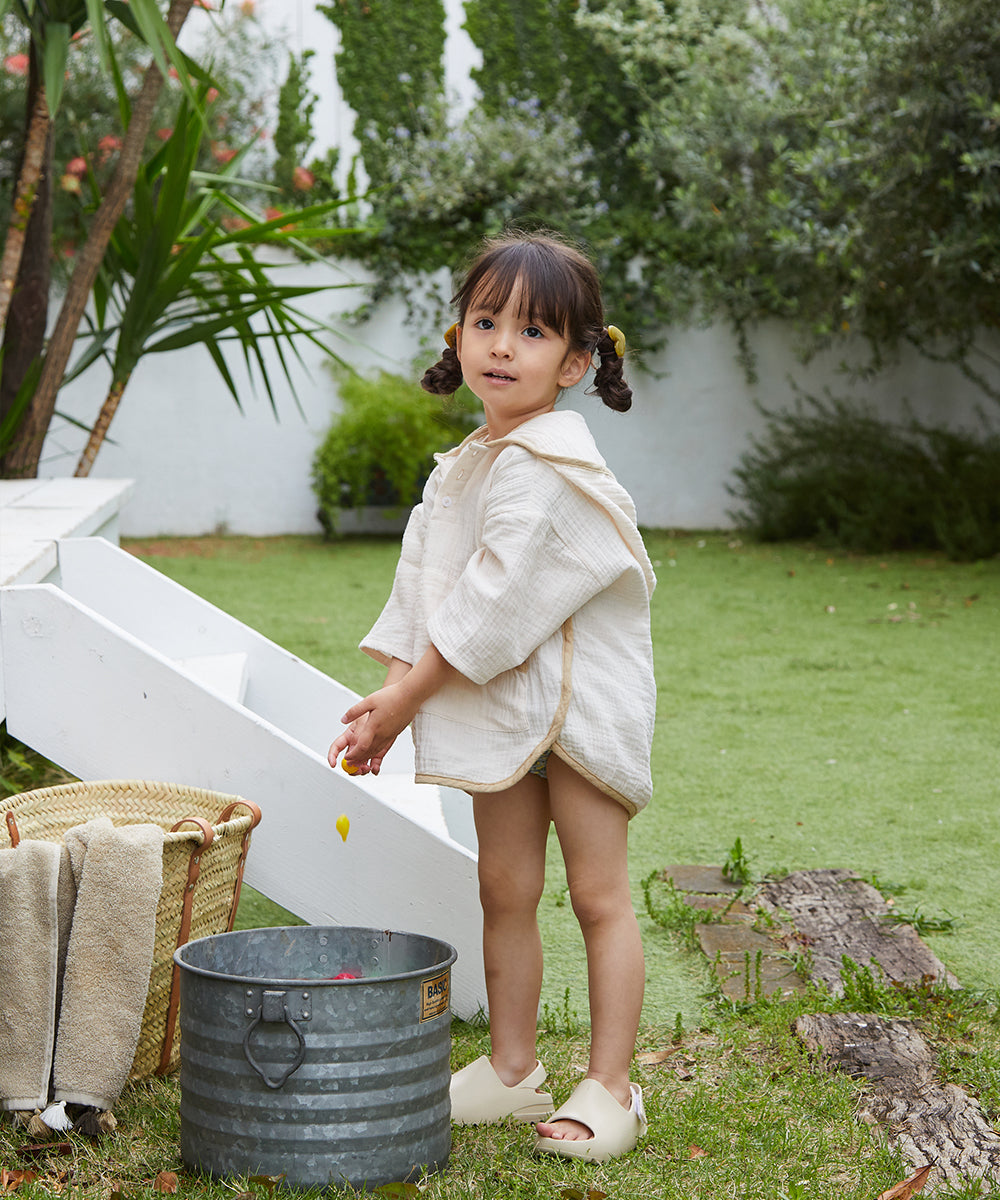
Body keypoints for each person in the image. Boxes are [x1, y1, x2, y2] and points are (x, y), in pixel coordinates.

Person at [327, 231, 656, 1163]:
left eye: (535, 331)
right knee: (502, 884)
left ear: (579, 361)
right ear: (458, 336)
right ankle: (514, 1070)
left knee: (597, 894)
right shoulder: (466, 464)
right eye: (486, 321)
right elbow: (424, 592)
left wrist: (406, 699)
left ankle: (613, 1085)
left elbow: (489, 606)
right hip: (506, 704)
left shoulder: (551, 467)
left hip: (581, 708)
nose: (503, 345)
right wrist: (389, 699)